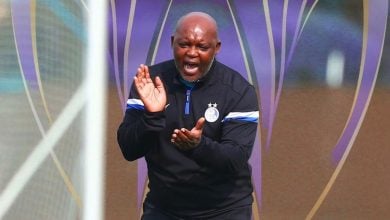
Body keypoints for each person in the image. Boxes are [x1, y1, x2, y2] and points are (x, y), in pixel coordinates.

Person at [117, 11, 259, 220]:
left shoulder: (238, 91)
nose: (192, 53)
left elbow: (235, 159)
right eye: (184, 45)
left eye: (202, 47)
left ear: (216, 48)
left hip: (225, 209)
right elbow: (129, 149)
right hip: (164, 208)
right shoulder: (149, 83)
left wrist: (198, 147)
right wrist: (152, 116)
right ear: (173, 42)